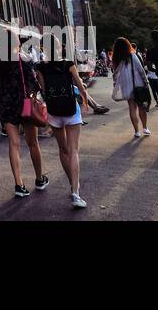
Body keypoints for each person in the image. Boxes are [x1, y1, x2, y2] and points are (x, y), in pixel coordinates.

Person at [0, 31, 46, 197]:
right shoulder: (24, 60)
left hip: (7, 105)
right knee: (33, 143)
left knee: (13, 144)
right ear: (17, 44)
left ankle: (19, 184)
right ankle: (39, 178)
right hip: (25, 105)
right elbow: (34, 84)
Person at [36, 53, 90, 209]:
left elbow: (44, 90)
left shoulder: (41, 67)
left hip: (54, 111)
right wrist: (85, 100)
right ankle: (75, 191)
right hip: (71, 109)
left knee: (63, 149)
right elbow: (80, 85)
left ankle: (72, 183)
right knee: (73, 151)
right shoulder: (68, 64)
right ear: (58, 48)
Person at [111, 37, 151, 138]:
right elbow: (141, 70)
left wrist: (116, 83)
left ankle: (137, 131)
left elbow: (115, 74)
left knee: (132, 108)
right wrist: (146, 82)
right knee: (142, 107)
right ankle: (145, 128)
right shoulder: (132, 56)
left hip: (126, 86)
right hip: (138, 85)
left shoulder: (116, 59)